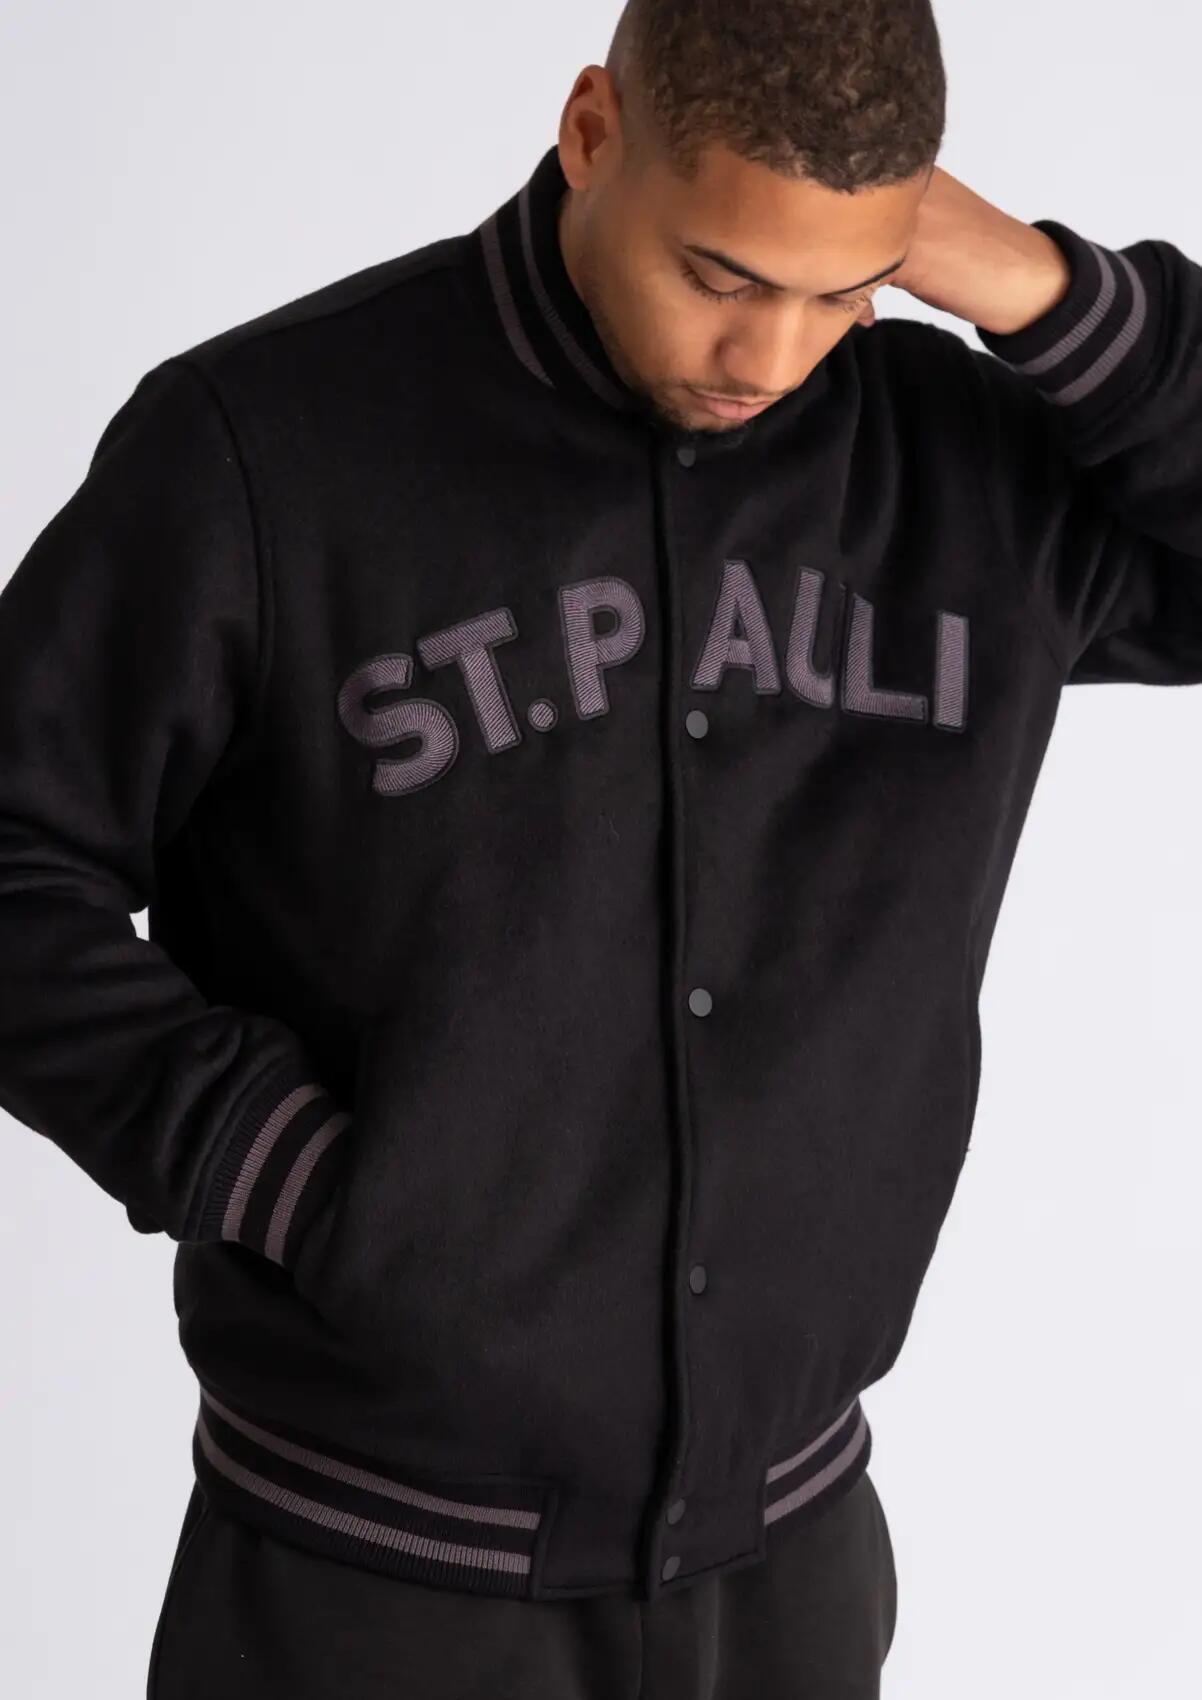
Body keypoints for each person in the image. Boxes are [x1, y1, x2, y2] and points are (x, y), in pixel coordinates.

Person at [4, 0, 1198, 1695]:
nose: (768, 355)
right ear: (590, 133)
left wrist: (1050, 296)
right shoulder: (264, 445)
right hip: (370, 1588)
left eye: (842, 292)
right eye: (719, 273)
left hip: (792, 1578)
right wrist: (300, 1179)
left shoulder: (970, 468)